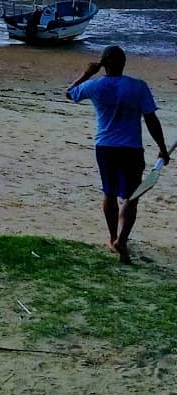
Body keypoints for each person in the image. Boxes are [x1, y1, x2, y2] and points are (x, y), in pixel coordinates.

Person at [67, 45, 169, 263]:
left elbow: (70, 93)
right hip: (132, 148)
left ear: (103, 64)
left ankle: (113, 236)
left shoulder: (94, 85)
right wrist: (162, 146)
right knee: (132, 198)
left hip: (105, 147)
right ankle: (121, 239)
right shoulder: (138, 87)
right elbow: (151, 120)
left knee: (109, 193)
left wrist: (87, 73)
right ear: (124, 63)